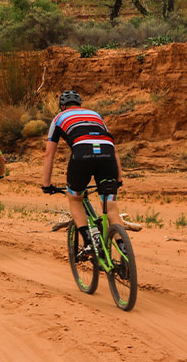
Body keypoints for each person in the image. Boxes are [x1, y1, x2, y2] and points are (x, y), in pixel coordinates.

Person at [41, 90, 123, 254]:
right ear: (80, 104)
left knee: (75, 198)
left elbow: (49, 153)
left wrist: (46, 184)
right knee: (111, 208)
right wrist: (119, 178)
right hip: (107, 156)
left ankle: (88, 242)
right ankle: (124, 251)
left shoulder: (59, 118)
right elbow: (112, 147)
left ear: (62, 106)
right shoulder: (96, 115)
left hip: (82, 155)